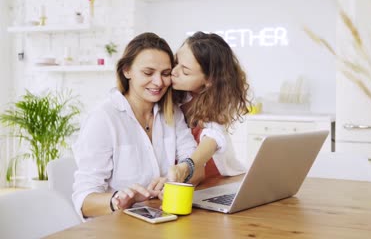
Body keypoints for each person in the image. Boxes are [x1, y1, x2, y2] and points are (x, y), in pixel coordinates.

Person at [72, 32, 197, 218]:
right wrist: (117, 200)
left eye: (165, 74)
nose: (159, 82)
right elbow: (84, 201)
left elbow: (193, 161)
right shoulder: (103, 118)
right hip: (116, 226)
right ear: (126, 70)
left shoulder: (171, 113)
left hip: (159, 218)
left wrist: (176, 178)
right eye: (148, 73)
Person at [168, 31, 251, 183]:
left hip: (213, 177)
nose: (174, 72)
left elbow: (214, 136)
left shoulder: (217, 100)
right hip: (176, 176)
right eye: (175, 63)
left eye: (185, 71)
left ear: (209, 80)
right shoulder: (171, 95)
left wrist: (187, 166)